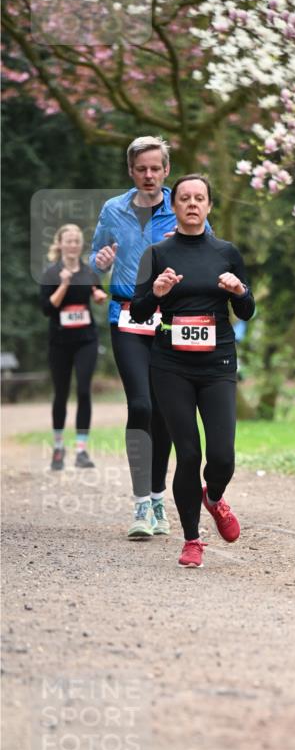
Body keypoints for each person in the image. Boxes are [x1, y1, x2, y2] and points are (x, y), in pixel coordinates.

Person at [130, 173, 255, 569]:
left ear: (209, 206)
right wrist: (157, 294)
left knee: (222, 456)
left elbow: (248, 310)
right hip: (171, 364)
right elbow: (137, 310)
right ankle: (192, 539)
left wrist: (240, 292)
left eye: (200, 197)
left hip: (217, 361)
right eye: (185, 197)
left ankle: (214, 497)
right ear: (175, 205)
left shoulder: (227, 251)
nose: (192, 204)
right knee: (187, 453)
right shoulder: (156, 254)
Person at [90, 135, 179, 539]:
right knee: (141, 404)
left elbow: (205, 250)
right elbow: (94, 259)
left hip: (170, 319)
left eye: (154, 168)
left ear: (166, 171)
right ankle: (141, 503)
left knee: (163, 412)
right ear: (131, 170)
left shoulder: (182, 207)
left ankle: (159, 498)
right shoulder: (113, 209)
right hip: (125, 314)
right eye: (140, 168)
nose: (148, 175)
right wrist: (100, 261)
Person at [40, 224, 107, 471]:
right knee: (61, 392)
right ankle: (58, 448)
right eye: (68, 240)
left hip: (86, 340)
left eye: (77, 240)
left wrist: (99, 297)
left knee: (84, 391)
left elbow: (98, 295)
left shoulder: (89, 272)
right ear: (60, 244)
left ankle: (81, 450)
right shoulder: (51, 273)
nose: (73, 244)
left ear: (80, 245)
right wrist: (64, 285)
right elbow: (47, 309)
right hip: (59, 342)